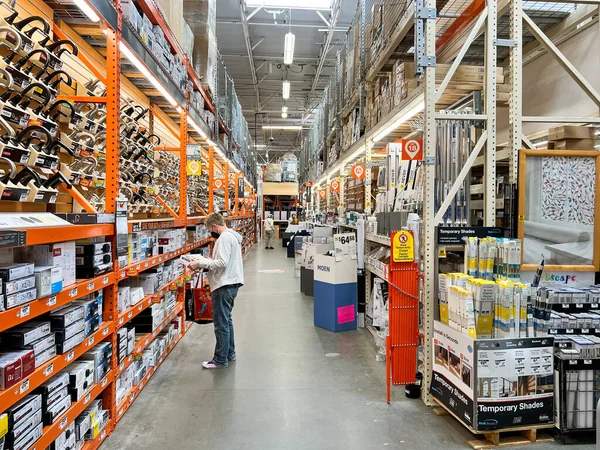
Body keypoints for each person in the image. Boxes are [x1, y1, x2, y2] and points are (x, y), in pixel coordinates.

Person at [188, 212, 244, 369]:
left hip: (224, 284)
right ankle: (230, 353)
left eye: (209, 229)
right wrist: (204, 261)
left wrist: (200, 264)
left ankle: (220, 359)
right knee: (227, 321)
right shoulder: (232, 236)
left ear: (214, 226)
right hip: (232, 282)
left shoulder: (224, 238)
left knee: (221, 324)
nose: (210, 233)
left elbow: (222, 262)